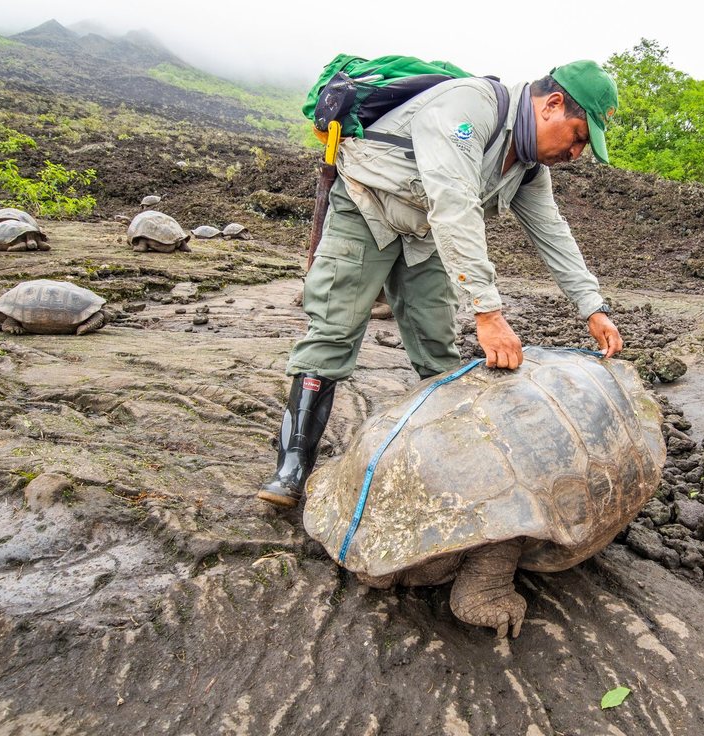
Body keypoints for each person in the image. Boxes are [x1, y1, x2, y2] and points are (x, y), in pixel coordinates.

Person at [258, 60, 624, 508]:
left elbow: (552, 232)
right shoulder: (469, 109)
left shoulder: (526, 167)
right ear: (551, 105)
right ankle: (293, 464)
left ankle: (450, 461)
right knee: (334, 332)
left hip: (424, 234)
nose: (576, 154)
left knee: (438, 348)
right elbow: (453, 204)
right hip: (366, 207)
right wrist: (487, 311)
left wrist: (593, 307)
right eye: (579, 137)